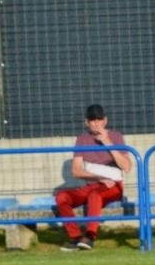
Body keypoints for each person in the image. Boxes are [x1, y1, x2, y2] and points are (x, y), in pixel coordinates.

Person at [53, 104, 133, 250]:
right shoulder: (82, 139)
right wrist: (98, 178)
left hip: (114, 186)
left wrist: (107, 142)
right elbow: (76, 171)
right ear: (86, 122)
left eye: (99, 119)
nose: (96, 123)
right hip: (92, 185)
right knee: (61, 197)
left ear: (105, 120)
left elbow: (126, 167)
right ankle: (75, 238)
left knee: (95, 195)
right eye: (92, 120)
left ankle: (90, 236)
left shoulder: (116, 136)